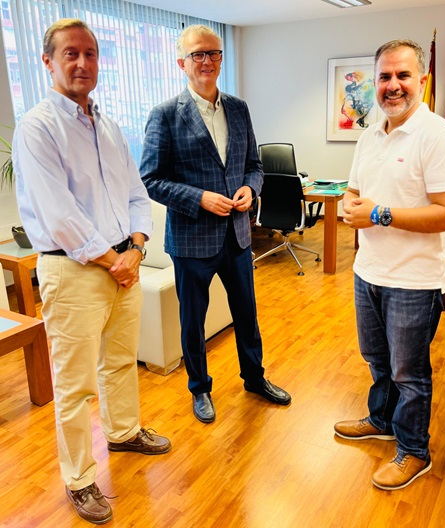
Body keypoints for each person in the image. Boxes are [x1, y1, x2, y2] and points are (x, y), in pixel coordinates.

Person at [12, 19, 171, 525]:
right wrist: (113, 261)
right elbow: (59, 214)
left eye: (91, 53)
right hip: (75, 271)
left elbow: (136, 195)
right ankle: (80, 478)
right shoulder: (37, 127)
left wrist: (137, 249)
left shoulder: (108, 126)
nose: (83, 63)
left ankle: (123, 433)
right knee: (75, 384)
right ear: (47, 62)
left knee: (120, 362)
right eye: (71, 53)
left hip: (125, 263)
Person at [334, 39, 445, 490]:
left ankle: (414, 451)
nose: (393, 85)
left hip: (414, 280)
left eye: (403, 75)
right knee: (377, 360)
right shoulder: (370, 135)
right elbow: (353, 189)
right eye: (385, 77)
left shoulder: (439, 137)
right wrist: (350, 204)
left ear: (422, 81)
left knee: (410, 374)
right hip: (368, 271)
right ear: (375, 83)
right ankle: (381, 420)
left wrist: (379, 214)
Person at [140, 24, 291, 424]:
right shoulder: (165, 115)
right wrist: (199, 198)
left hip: (238, 236)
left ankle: (254, 378)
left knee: (247, 314)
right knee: (193, 321)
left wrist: (250, 189)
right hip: (191, 240)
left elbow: (254, 165)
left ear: (222, 58)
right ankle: (199, 388)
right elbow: (150, 179)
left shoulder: (238, 108)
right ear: (182, 63)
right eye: (198, 54)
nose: (207, 61)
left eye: (214, 53)